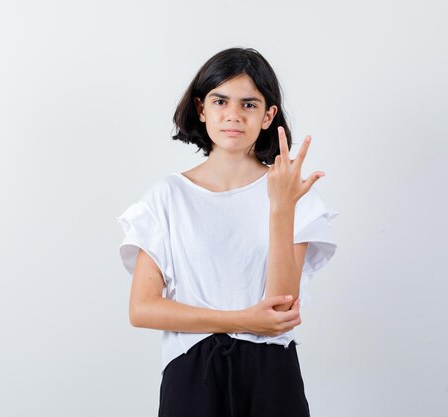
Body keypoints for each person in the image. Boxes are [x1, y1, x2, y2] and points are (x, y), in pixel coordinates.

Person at [115, 47, 339, 417]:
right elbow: (142, 309)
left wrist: (281, 206)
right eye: (221, 101)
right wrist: (241, 320)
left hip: (271, 372)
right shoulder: (167, 197)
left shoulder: (291, 193)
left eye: (249, 104)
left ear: (268, 116)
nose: (233, 115)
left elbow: (281, 309)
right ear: (202, 109)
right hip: (192, 370)